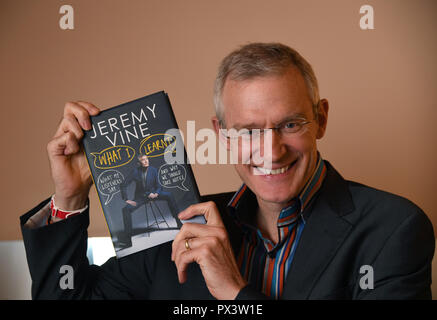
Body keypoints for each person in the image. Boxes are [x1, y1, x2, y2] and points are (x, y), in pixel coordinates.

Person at [20, 42, 434, 300]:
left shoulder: (393, 229)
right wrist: (70, 199)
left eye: (290, 124)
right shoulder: (177, 222)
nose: (271, 150)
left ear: (321, 119)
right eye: (248, 131)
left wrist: (235, 292)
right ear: (221, 134)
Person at [118, 154, 183, 248]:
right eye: (143, 160)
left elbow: (159, 185)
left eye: (146, 159)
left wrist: (156, 193)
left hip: (154, 194)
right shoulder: (135, 172)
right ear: (138, 163)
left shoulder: (153, 170)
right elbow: (123, 185)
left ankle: (178, 221)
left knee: (169, 195)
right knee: (126, 210)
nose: (146, 161)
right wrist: (126, 199)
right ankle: (128, 240)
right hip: (141, 197)